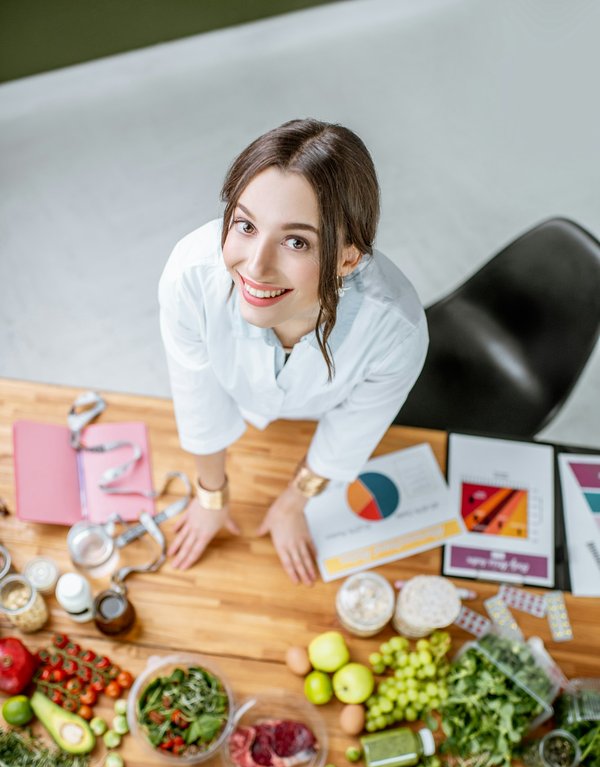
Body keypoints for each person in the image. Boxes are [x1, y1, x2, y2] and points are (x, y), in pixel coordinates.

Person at [159, 118, 428, 585]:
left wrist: (291, 505)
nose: (255, 266)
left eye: (296, 241)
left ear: (348, 258)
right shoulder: (190, 276)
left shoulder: (396, 332)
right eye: (245, 225)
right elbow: (198, 395)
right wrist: (211, 498)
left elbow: (347, 433)